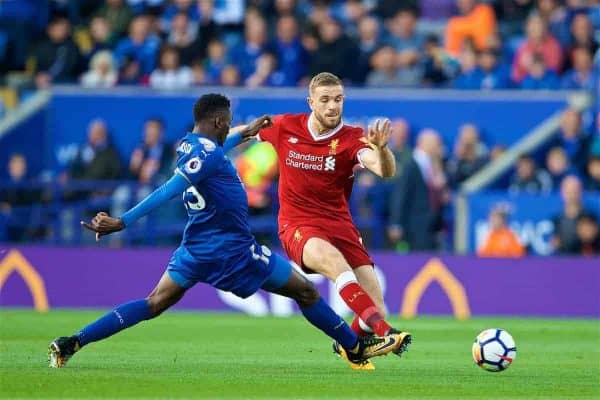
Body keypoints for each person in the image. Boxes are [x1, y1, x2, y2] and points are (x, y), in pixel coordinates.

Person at [48, 94, 409, 370]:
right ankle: (352, 345)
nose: (231, 128)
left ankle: (73, 342)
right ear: (219, 120)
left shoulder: (189, 144)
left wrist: (244, 134)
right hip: (233, 250)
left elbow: (212, 149)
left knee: (153, 302)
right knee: (305, 291)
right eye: (230, 124)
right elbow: (169, 189)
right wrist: (122, 221)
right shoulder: (205, 155)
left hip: (194, 249)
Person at [222, 72, 411, 371]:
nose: (332, 106)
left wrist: (382, 149)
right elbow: (242, 132)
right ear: (311, 102)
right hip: (298, 225)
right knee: (335, 264)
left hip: (339, 224)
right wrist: (205, 144)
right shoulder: (284, 126)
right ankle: (385, 331)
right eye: (325, 100)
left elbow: (385, 171)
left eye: (338, 100)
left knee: (375, 305)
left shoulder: (352, 138)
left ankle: (348, 345)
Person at [388, 129, 447, 251]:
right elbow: (401, 194)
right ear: (424, 143)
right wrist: (396, 223)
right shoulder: (410, 164)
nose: (439, 146)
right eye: (436, 143)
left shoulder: (433, 164)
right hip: (414, 224)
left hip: (431, 224)